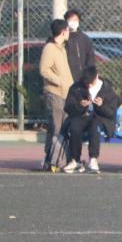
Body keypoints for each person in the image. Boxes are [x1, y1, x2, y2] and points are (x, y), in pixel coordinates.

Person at [62, 66, 116, 173]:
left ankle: (93, 159)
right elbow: (68, 107)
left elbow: (111, 113)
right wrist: (80, 105)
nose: (89, 85)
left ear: (97, 77)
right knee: (74, 127)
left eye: (91, 83)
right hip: (82, 116)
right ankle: (75, 160)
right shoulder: (76, 87)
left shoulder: (107, 89)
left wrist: (101, 105)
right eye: (87, 83)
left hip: (100, 118)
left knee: (94, 127)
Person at [39, 19, 74, 169]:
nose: (69, 33)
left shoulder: (62, 49)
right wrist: (59, 81)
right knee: (57, 128)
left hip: (65, 94)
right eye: (68, 30)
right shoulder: (50, 48)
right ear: (63, 31)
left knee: (60, 128)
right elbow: (44, 70)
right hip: (55, 94)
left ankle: (53, 160)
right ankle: (54, 161)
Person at [64, 9, 96, 82]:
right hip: (66, 77)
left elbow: (90, 59)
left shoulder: (85, 39)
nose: (73, 22)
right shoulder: (63, 38)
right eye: (70, 20)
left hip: (83, 78)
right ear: (66, 21)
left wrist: (88, 76)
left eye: (75, 20)